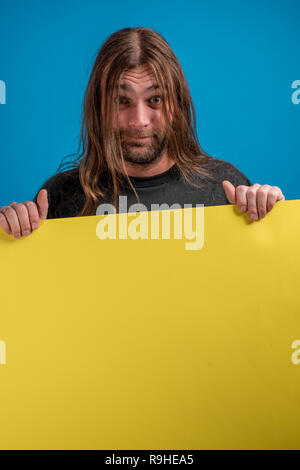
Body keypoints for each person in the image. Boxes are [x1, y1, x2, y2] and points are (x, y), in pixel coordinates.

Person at [0, 27, 285, 239]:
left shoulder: (225, 188)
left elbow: (262, 288)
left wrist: (274, 219)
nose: (139, 120)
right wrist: (10, 235)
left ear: (177, 104)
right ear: (99, 107)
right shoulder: (60, 196)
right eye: (122, 101)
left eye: (155, 100)